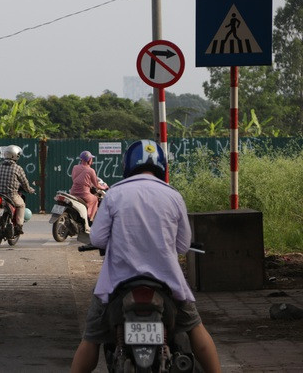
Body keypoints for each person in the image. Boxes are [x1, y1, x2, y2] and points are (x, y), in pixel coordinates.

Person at [71, 140, 221, 373]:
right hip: (167, 284)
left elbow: (98, 239)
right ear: (161, 166)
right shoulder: (173, 195)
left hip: (117, 284)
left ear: (128, 165)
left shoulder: (114, 194)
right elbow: (182, 245)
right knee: (194, 327)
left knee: (91, 338)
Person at [0, 145, 35, 234]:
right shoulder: (17, 168)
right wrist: (29, 190)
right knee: (21, 205)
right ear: (15, 155)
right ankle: (19, 226)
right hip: (11, 194)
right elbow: (24, 182)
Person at [69, 150, 108, 223]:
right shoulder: (91, 170)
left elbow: (74, 179)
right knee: (95, 199)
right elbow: (97, 185)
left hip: (73, 192)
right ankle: (90, 219)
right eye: (91, 159)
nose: (92, 160)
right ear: (89, 160)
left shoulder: (75, 167)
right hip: (84, 194)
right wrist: (105, 187)